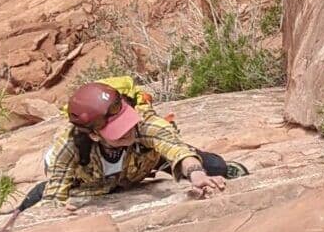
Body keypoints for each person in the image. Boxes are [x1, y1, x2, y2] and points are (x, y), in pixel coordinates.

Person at [15, 78, 248, 213]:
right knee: (35, 202)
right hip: (90, 181)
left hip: (141, 163)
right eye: (117, 131)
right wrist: (56, 207)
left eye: (127, 122)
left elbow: (173, 147)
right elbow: (55, 196)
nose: (128, 131)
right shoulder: (70, 146)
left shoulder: (143, 123)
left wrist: (195, 173)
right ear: (95, 135)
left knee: (214, 167)